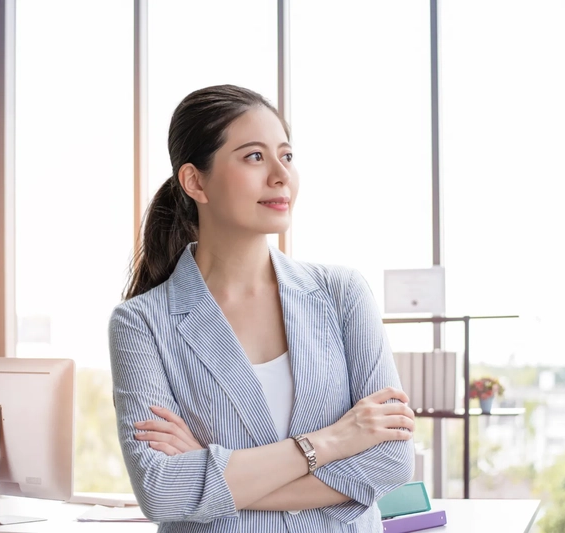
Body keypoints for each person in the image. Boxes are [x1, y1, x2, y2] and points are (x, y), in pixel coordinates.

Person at [108, 84, 416, 532]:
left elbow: (390, 462)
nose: (280, 175)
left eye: (286, 156)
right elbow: (161, 491)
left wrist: (214, 474)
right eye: (254, 157)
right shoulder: (142, 324)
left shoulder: (342, 294)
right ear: (195, 181)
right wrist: (334, 441)